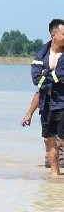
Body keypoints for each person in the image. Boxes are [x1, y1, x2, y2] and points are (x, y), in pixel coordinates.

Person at [26, 18, 64, 176]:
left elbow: (62, 75)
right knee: (48, 141)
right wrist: (29, 114)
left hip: (62, 102)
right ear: (53, 35)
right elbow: (36, 80)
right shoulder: (42, 54)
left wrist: (46, 75)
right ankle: (55, 178)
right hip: (47, 105)